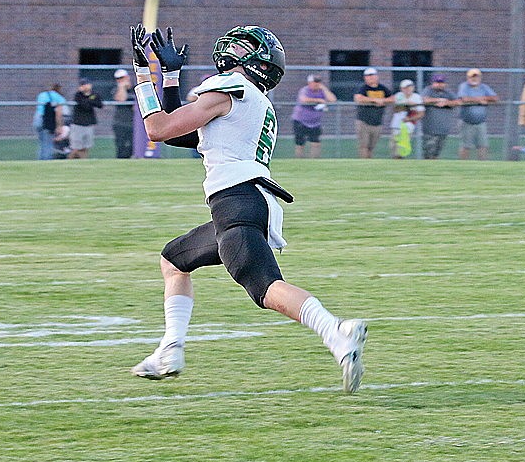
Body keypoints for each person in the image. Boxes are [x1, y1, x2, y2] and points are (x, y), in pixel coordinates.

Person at [127, 23, 367, 393]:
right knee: (174, 260)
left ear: (255, 62)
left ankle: (335, 331)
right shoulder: (250, 98)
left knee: (265, 288)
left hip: (237, 202)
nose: (234, 51)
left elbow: (158, 129)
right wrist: (171, 76)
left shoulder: (230, 88)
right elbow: (182, 132)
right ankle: (169, 350)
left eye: (243, 48)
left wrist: (143, 76)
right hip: (247, 202)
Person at [292, 75, 337, 159]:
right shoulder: (305, 90)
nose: (317, 84)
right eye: (314, 82)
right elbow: (303, 99)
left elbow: (333, 99)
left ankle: (314, 161)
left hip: (315, 123)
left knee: (315, 143)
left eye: (318, 82)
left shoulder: (322, 91)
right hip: (300, 121)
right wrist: (319, 100)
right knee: (300, 144)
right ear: (309, 83)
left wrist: (324, 88)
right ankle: (299, 162)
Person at [457, 68, 498, 160]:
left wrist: (484, 98)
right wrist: (479, 100)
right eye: (472, 77)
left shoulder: (484, 87)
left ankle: (483, 165)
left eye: (476, 77)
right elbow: (464, 98)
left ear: (480, 78)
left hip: (481, 122)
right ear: (468, 78)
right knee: (466, 146)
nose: (474, 79)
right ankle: (462, 165)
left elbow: (495, 98)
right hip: (467, 122)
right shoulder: (464, 86)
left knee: (483, 145)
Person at [353, 68, 394, 159]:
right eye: (368, 76)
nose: (370, 78)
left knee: (371, 147)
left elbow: (392, 98)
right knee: (364, 146)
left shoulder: (382, 88)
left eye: (372, 75)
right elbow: (358, 98)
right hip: (364, 121)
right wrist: (374, 100)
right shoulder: (363, 88)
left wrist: (383, 100)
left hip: (377, 122)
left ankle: (370, 162)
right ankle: (364, 164)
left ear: (376, 76)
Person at [421, 74, 460, 159]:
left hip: (443, 129)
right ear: (432, 83)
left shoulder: (447, 92)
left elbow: (458, 101)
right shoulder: (428, 90)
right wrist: (438, 100)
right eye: (437, 82)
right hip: (430, 130)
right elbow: (424, 100)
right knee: (428, 154)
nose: (439, 84)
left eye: (441, 82)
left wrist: (447, 103)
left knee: (436, 154)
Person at [68, 78, 103, 159]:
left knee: (85, 147)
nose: (85, 87)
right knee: (76, 147)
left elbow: (99, 104)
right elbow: (85, 105)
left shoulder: (94, 94)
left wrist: (89, 99)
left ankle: (84, 162)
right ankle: (68, 161)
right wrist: (90, 100)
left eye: (86, 84)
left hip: (89, 124)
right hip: (78, 124)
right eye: (83, 85)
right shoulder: (78, 95)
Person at [390, 79, 424, 158]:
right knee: (393, 147)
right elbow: (396, 109)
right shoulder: (398, 96)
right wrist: (407, 105)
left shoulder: (417, 97)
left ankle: (400, 163)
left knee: (401, 150)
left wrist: (409, 119)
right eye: (405, 88)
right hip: (396, 125)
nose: (408, 89)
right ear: (402, 89)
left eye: (410, 87)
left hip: (407, 126)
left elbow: (421, 114)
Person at [34, 83, 67, 160]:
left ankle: (40, 160)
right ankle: (47, 160)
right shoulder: (59, 97)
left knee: (42, 143)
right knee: (48, 143)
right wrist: (59, 126)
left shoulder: (41, 95)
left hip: (37, 119)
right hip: (48, 121)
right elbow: (59, 113)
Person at [111, 69, 135, 159]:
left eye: (122, 78)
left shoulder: (135, 89)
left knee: (132, 146)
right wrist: (121, 87)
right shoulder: (116, 89)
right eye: (117, 79)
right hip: (120, 122)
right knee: (120, 146)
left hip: (133, 123)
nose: (120, 80)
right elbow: (121, 99)